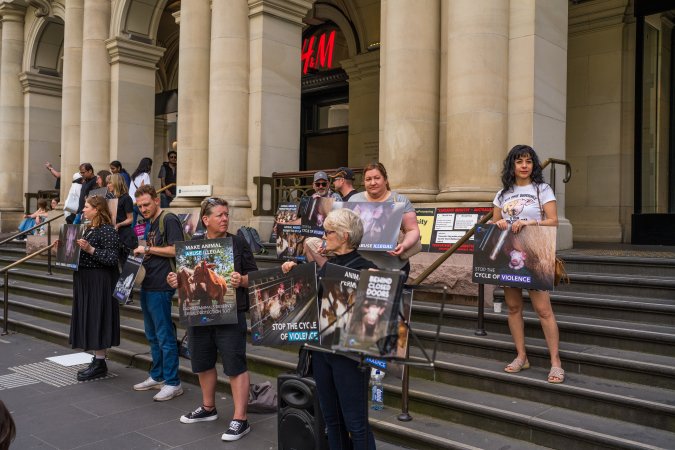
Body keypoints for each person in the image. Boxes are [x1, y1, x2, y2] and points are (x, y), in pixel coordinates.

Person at [282, 208, 377, 450]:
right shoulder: (326, 266)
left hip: (349, 355)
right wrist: (294, 273)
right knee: (331, 420)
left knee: (355, 422)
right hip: (322, 352)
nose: (324, 237)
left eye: (328, 233)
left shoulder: (367, 267)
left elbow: (373, 318)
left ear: (345, 236)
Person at [166, 197, 258, 442]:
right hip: (199, 315)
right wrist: (175, 280)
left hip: (230, 314)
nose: (225, 218)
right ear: (205, 220)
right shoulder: (193, 245)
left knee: (235, 364)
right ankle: (208, 408)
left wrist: (242, 280)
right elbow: (185, 278)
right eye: (220, 215)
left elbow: (255, 277)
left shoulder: (238, 242)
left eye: (226, 214)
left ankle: (241, 419)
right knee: (203, 361)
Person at [492, 144, 564, 384]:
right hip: (509, 255)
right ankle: (521, 355)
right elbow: (493, 225)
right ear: (512, 165)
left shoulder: (542, 189)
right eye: (519, 161)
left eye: (528, 161)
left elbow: (553, 221)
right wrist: (500, 223)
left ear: (533, 165)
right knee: (513, 308)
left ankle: (555, 362)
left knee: (543, 310)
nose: (524, 166)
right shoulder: (502, 194)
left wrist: (529, 223)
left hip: (535, 254)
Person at [131, 184, 184, 401]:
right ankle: (158, 375)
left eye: (146, 204)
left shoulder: (168, 219)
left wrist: (148, 249)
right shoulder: (146, 222)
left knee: (164, 336)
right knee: (152, 335)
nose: (142, 209)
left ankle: (173, 382)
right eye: (139, 206)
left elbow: (177, 249)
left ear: (156, 201)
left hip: (162, 285)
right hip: (148, 282)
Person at [67, 195, 121, 381]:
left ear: (97, 209)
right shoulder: (89, 229)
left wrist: (90, 249)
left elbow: (113, 258)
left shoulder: (107, 230)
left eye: (86, 206)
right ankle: (97, 360)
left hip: (99, 280)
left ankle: (100, 362)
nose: (83, 210)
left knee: (98, 317)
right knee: (90, 318)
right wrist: (63, 249)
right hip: (85, 280)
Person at [348, 162, 420, 277]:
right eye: (368, 179)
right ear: (364, 182)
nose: (373, 182)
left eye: (377, 178)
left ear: (385, 180)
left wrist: (404, 245)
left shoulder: (399, 200)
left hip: (392, 267)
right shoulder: (354, 200)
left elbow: (412, 230)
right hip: (359, 265)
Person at [107, 173, 137, 267]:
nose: (107, 185)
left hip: (125, 236)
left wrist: (118, 225)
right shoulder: (112, 198)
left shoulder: (126, 198)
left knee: (126, 265)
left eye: (109, 183)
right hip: (116, 235)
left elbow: (130, 219)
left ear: (116, 183)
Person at [129, 157, 153, 226]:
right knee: (149, 220)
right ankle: (147, 237)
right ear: (148, 165)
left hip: (131, 202)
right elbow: (146, 189)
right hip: (139, 201)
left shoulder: (134, 175)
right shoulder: (145, 175)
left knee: (132, 224)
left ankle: (131, 237)